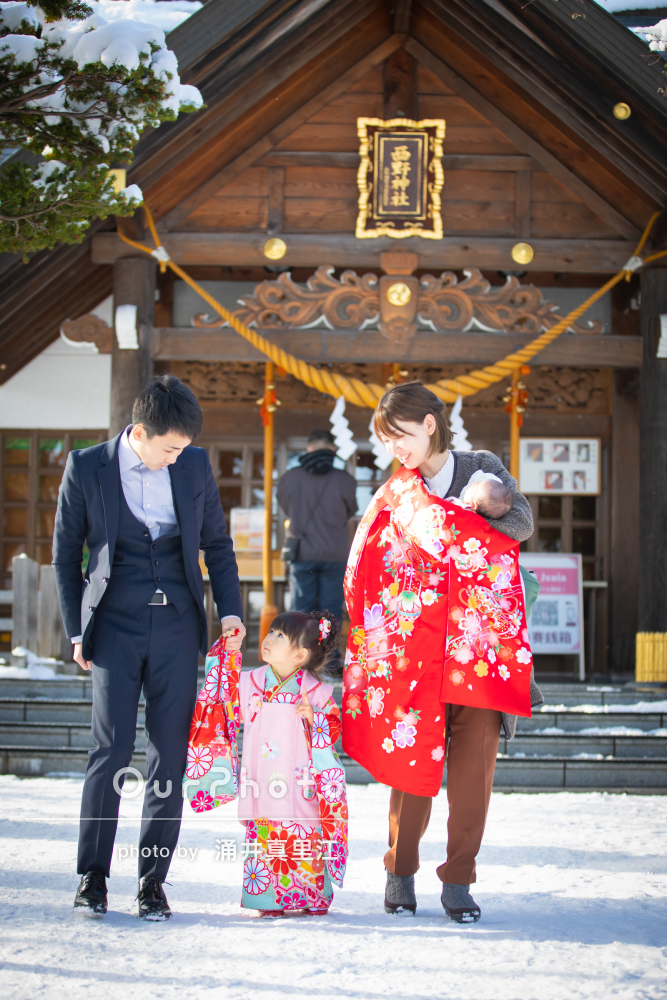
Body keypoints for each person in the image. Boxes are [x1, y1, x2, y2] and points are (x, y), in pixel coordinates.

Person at [342, 381, 543, 923]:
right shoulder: (397, 491)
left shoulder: (481, 465)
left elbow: (521, 523)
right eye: (388, 441)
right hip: (416, 652)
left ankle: (459, 878)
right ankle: (400, 869)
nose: (396, 450)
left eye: (401, 436)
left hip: (479, 649)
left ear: (430, 424)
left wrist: (462, 519)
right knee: (411, 770)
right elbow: (372, 564)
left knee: (474, 772)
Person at [53, 375, 246, 920]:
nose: (176, 457)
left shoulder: (193, 464)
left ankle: (152, 880)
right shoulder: (86, 466)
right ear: (139, 432)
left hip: (180, 627)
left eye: (183, 449)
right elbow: (66, 558)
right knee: (109, 751)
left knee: (169, 755)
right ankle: (92, 874)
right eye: (168, 448)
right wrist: (76, 630)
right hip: (113, 625)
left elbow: (217, 545)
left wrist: (229, 611)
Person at [237, 610, 347, 916]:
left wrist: (316, 717)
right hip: (264, 778)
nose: (268, 638)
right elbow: (228, 708)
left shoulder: (316, 691)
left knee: (306, 834)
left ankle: (311, 896)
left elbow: (335, 727)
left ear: (299, 654)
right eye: (271, 631)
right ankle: (268, 898)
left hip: (302, 781)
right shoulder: (252, 682)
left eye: (279, 635)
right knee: (267, 832)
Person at [277, 430, 357, 647]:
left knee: (301, 609)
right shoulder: (345, 480)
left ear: (308, 448)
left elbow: (285, 506)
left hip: (303, 551)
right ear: (332, 449)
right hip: (335, 552)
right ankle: (329, 660)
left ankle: (298, 658)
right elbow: (351, 509)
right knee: (330, 610)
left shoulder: (290, 477)